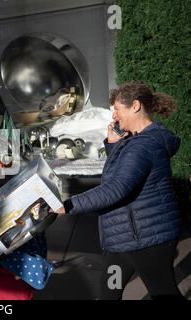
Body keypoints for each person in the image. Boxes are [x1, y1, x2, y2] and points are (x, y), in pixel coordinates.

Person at [53, 81, 184, 300]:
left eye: (117, 110)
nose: (114, 116)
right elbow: (119, 174)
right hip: (123, 239)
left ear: (135, 106)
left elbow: (116, 189)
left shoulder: (142, 146)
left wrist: (69, 205)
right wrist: (113, 144)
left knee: (164, 293)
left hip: (147, 240)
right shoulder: (134, 141)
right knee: (110, 292)